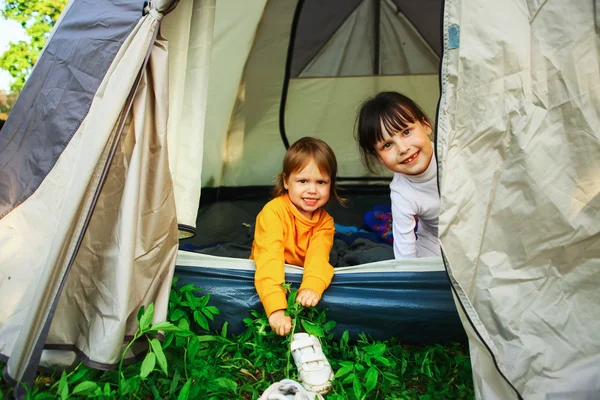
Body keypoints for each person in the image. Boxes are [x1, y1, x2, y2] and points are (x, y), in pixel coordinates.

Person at [251, 137, 342, 395]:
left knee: (317, 280)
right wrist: (276, 309)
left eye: (321, 182)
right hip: (275, 275)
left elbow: (318, 257)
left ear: (331, 185)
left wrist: (312, 285)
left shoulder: (325, 222)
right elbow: (269, 260)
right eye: (303, 181)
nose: (312, 190)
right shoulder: (273, 212)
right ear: (285, 182)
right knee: (270, 266)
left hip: (300, 276)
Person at [355, 91, 441, 259]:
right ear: (379, 158)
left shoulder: (454, 153)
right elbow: (405, 256)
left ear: (426, 126)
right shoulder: (401, 192)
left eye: (406, 132)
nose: (403, 148)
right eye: (388, 145)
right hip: (437, 239)